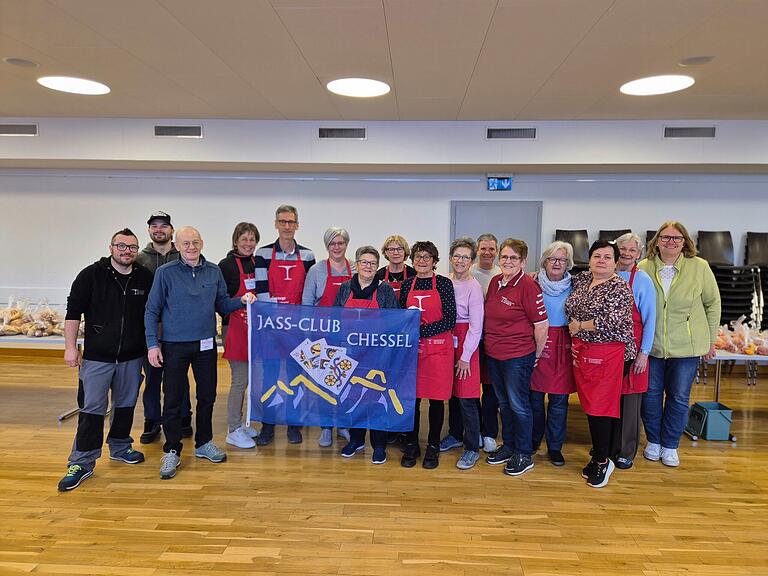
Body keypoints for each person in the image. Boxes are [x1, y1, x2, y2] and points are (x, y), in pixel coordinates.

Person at [145, 226, 255, 480]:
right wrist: (152, 344)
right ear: (177, 245)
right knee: (172, 398)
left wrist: (241, 300)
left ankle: (204, 442)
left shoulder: (213, 271)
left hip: (205, 345)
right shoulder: (165, 273)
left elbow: (222, 304)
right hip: (173, 345)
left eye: (195, 242)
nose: (191, 247)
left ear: (202, 243)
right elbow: (152, 310)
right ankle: (172, 449)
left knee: (207, 396)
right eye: (186, 243)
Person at [58, 228, 154, 491]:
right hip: (97, 358)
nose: (126, 251)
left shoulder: (144, 277)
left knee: (125, 405)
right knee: (92, 409)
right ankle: (81, 461)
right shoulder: (91, 275)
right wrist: (70, 347)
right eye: (121, 246)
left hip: (132, 357)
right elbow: (73, 313)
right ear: (111, 248)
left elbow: (153, 312)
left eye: (132, 247)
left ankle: (120, 447)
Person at [638, 221, 720, 468]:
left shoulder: (700, 267)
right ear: (657, 242)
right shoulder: (644, 267)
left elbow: (713, 304)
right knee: (650, 396)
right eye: (665, 237)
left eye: (676, 238)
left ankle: (670, 444)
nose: (671, 242)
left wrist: (710, 340)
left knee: (679, 397)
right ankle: (654, 441)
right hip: (652, 346)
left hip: (687, 347)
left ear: (685, 242)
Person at [565, 240, 636, 488]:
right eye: (597, 256)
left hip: (610, 354)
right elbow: (561, 282)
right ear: (590, 260)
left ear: (616, 262)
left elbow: (613, 321)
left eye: (607, 257)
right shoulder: (583, 279)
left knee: (600, 408)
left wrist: (580, 326)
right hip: (585, 352)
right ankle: (599, 452)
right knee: (591, 406)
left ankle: (602, 460)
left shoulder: (619, 287)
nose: (601, 261)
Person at [483, 238, 548, 477]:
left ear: (523, 261)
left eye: (514, 258)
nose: (508, 261)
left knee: (519, 406)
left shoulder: (529, 286)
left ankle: (524, 453)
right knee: (504, 404)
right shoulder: (495, 281)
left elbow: (542, 326)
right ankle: (509, 445)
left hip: (517, 357)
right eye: (505, 257)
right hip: (494, 354)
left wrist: (536, 355)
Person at [253, 205, 316, 445]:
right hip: (271, 327)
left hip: (298, 330)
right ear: (276, 224)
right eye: (282, 221)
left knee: (295, 377)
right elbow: (261, 291)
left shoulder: (308, 255)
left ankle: (294, 423)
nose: (287, 226)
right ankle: (268, 425)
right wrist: (278, 319)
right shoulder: (263, 253)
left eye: (291, 222)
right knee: (269, 377)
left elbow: (309, 293)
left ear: (297, 225)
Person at [333, 246, 399, 464]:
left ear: (377, 266)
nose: (368, 266)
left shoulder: (385, 289)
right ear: (357, 264)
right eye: (364, 262)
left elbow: (394, 322)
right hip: (350, 354)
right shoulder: (345, 288)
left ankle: (379, 445)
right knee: (353, 398)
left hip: (378, 355)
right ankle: (356, 440)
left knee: (376, 398)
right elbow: (335, 318)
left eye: (373, 263)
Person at [134, 211, 192, 444]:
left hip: (179, 328)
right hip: (151, 329)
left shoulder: (184, 255)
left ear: (171, 230)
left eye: (164, 226)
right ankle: (152, 420)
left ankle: (184, 416)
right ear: (149, 230)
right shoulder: (139, 259)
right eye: (154, 226)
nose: (159, 230)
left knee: (179, 377)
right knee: (152, 377)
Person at [399, 241, 456, 469]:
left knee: (436, 400)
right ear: (412, 260)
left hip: (438, 351)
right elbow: (401, 317)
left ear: (434, 261)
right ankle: (411, 444)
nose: (422, 261)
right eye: (418, 257)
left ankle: (433, 445)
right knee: (412, 400)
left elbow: (449, 319)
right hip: (412, 352)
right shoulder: (406, 285)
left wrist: (420, 331)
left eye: (427, 257)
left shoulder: (443, 283)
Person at [302, 227, 355, 446]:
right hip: (322, 335)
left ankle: (343, 425)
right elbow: (307, 304)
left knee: (346, 381)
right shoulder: (316, 270)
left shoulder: (355, 267)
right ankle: (325, 427)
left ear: (346, 244)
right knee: (325, 382)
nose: (337, 247)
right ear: (327, 246)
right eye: (333, 243)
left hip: (349, 334)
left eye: (341, 243)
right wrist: (308, 337)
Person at [611, 233, 656, 469]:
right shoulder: (606, 274)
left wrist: (643, 354)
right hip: (609, 350)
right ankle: (608, 446)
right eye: (623, 249)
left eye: (632, 250)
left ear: (638, 254)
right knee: (608, 399)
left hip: (634, 350)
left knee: (629, 403)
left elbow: (650, 320)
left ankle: (626, 451)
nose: (627, 254)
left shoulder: (643, 280)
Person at [529, 241, 576, 467]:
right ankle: (533, 440)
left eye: (562, 260)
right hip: (538, 341)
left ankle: (555, 447)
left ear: (568, 263)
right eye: (553, 259)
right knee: (534, 398)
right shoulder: (532, 282)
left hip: (563, 345)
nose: (557, 263)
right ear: (544, 262)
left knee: (559, 400)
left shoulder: (576, 285)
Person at [441, 237, 484, 470]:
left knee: (467, 398)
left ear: (471, 261)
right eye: (457, 256)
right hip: (448, 340)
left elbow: (476, 327)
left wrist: (465, 357)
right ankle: (455, 434)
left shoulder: (474, 287)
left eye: (465, 257)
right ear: (451, 258)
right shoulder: (445, 281)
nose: (460, 260)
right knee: (453, 394)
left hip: (468, 344)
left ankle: (471, 448)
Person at [219, 222, 260, 450]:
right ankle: (233, 429)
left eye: (252, 239)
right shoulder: (225, 266)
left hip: (255, 329)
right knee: (240, 380)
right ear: (235, 241)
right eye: (244, 239)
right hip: (234, 328)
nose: (248, 243)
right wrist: (240, 302)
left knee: (252, 380)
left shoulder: (257, 263)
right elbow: (220, 302)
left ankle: (242, 423)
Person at [470, 233, 502, 453]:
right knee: (471, 387)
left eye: (491, 249)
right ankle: (472, 430)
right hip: (472, 339)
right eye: (483, 248)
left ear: (496, 251)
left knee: (490, 389)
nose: (487, 253)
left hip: (493, 339)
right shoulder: (468, 272)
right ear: (477, 250)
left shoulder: (502, 274)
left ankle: (489, 432)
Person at [376, 235, 416, 299]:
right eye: (391, 249)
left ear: (405, 251)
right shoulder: (378, 275)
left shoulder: (414, 274)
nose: (395, 253)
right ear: (386, 252)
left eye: (399, 249)